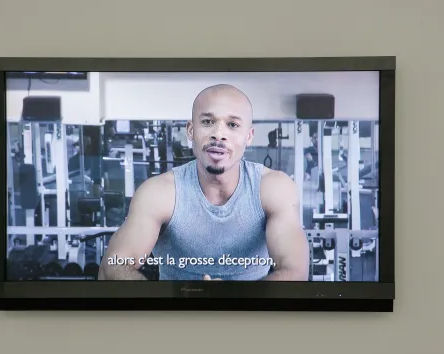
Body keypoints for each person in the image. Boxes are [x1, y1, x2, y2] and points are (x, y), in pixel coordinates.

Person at [98, 84, 310, 281]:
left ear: (249, 136)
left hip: (251, 316)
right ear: (191, 131)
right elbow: (114, 266)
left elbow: (295, 271)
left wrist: (234, 300)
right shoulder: (160, 192)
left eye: (233, 125)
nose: (219, 134)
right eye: (208, 122)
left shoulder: (273, 187)